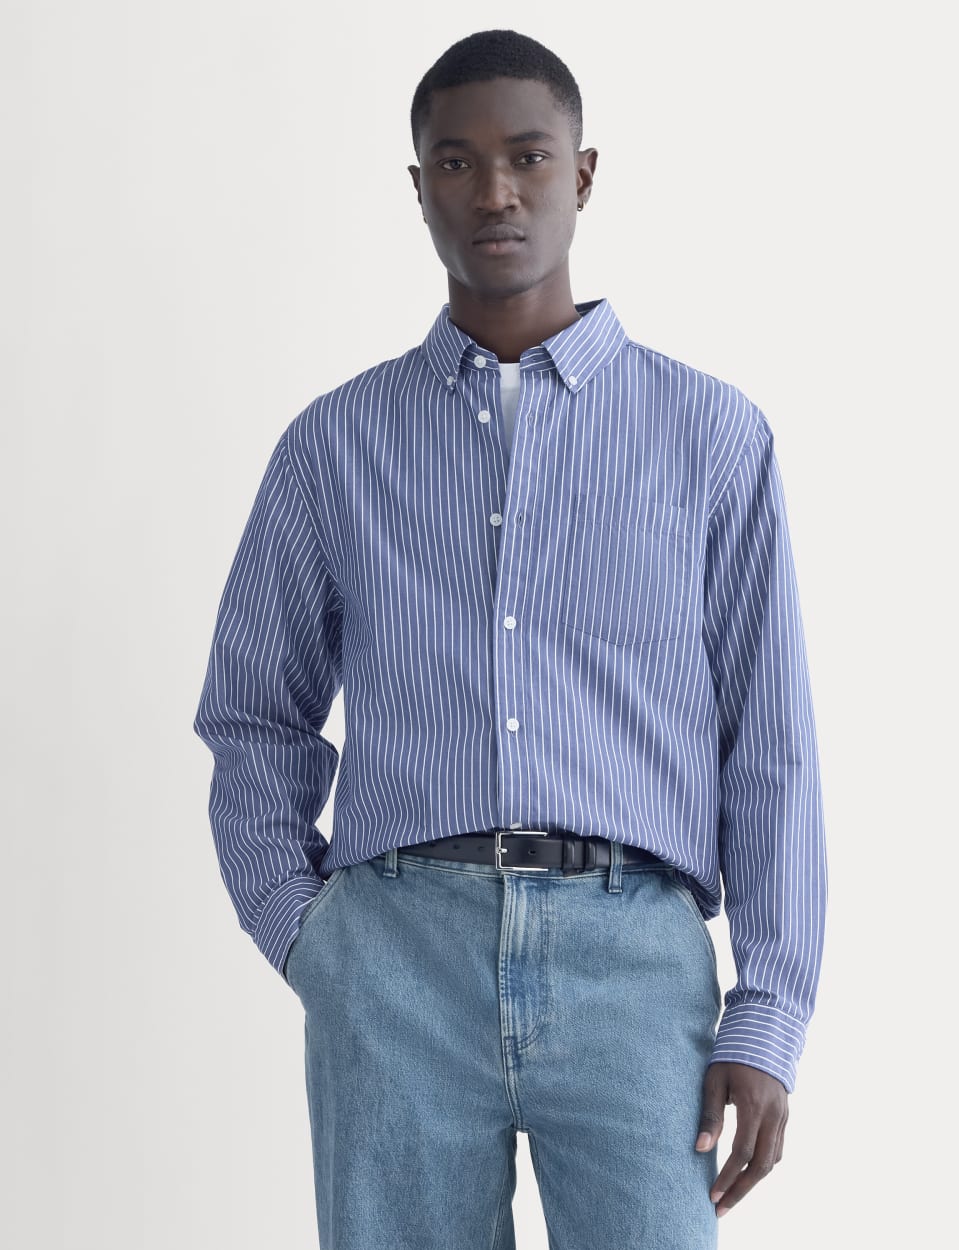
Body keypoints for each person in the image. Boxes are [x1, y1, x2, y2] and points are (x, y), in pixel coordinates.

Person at [193, 27, 827, 1250]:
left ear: (580, 175)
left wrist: (768, 1013)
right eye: (457, 161)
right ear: (418, 186)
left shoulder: (710, 436)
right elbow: (253, 712)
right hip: (395, 959)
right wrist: (308, 933)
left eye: (528, 157)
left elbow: (771, 743)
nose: (494, 191)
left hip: (635, 963)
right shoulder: (334, 445)